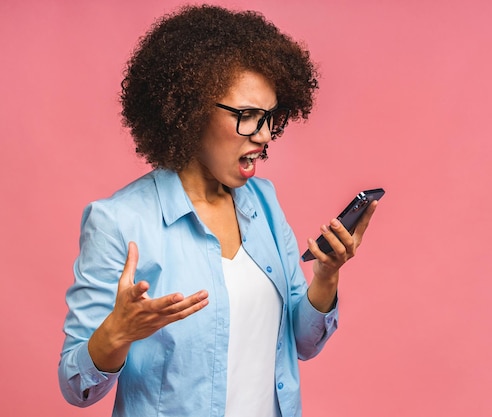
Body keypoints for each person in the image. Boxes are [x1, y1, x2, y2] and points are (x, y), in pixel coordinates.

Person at [58, 5, 378, 417]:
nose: (264, 136)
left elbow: (302, 342)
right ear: (189, 110)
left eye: (270, 118)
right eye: (247, 116)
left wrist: (327, 274)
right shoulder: (118, 222)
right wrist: (116, 335)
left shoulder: (264, 202)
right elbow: (76, 387)